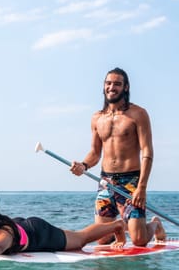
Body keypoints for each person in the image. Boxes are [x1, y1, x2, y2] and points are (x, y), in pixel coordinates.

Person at [70, 67, 166, 246]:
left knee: (139, 240)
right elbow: (95, 152)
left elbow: (147, 152)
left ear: (126, 87)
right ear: (103, 86)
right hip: (106, 181)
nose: (111, 87)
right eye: (108, 83)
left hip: (130, 182)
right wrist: (83, 165)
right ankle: (118, 229)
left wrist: (141, 188)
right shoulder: (97, 118)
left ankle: (155, 225)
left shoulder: (138, 114)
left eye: (117, 84)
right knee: (102, 240)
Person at [0, 185, 126, 269]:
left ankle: (117, 224)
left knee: (79, 239)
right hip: (17, 223)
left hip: (37, 233)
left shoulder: (3, 231)